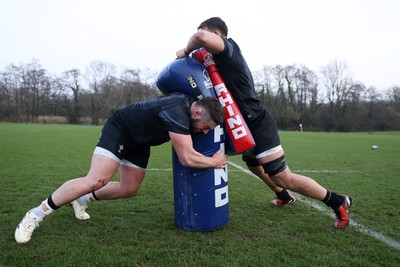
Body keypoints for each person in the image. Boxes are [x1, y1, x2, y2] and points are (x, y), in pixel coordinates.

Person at [176, 17, 352, 229]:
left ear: (217, 33)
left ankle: (338, 201)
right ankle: (284, 196)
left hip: (257, 122)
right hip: (244, 124)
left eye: (204, 29)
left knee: (282, 176)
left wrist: (186, 51)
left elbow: (200, 37)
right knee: (254, 166)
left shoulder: (228, 48)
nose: (200, 35)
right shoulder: (215, 61)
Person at [15, 93, 227, 243]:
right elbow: (187, 158)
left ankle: (81, 200)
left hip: (140, 142)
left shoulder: (188, 108)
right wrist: (214, 162)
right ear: (197, 112)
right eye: (206, 127)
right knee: (96, 180)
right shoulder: (177, 110)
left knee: (129, 188)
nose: (206, 133)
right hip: (121, 129)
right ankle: (34, 215)